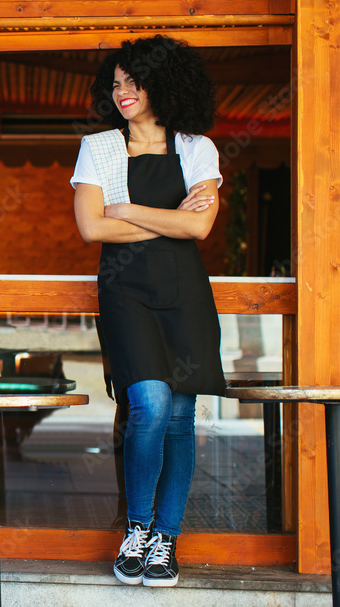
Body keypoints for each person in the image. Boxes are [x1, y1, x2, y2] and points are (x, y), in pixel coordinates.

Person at [70, 34, 226, 588]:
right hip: (125, 291)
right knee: (151, 405)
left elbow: (199, 227)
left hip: (184, 294)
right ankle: (136, 528)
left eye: (133, 81)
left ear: (163, 83)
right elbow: (92, 227)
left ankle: (165, 539)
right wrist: (169, 217)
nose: (123, 92)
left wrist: (130, 210)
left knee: (182, 417)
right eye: (115, 84)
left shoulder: (197, 148)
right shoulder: (99, 148)